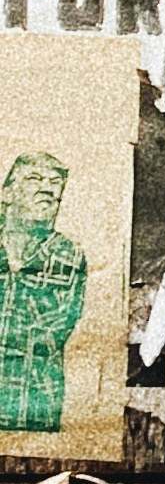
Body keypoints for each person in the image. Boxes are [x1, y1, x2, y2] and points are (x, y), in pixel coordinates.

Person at [0, 149, 86, 436]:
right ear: (8, 193)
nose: (47, 188)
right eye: (35, 178)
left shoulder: (68, 257)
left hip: (34, 408)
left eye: (54, 183)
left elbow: (51, 331)